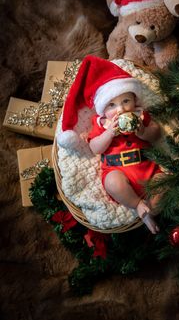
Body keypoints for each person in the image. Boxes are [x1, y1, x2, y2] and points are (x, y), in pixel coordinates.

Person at [57, 55, 163, 234]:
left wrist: (144, 132)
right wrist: (109, 134)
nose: (120, 109)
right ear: (103, 110)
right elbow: (95, 148)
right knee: (113, 183)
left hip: (147, 170)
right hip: (118, 171)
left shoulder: (140, 116)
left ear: (134, 100)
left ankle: (150, 210)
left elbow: (157, 133)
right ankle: (137, 205)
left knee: (164, 182)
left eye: (126, 101)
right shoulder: (102, 124)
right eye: (112, 105)